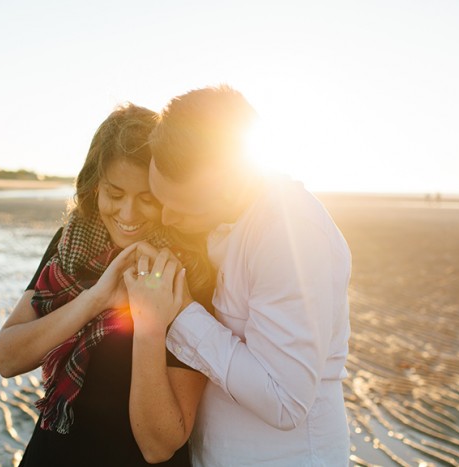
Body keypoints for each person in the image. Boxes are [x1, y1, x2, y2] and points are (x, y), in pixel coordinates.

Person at [138, 85, 352, 466]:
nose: (167, 219)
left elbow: (286, 401)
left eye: (182, 208)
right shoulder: (228, 214)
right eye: (160, 200)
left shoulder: (289, 233)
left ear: (228, 188)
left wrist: (181, 313)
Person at [0, 103, 214, 466]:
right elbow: (7, 357)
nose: (127, 215)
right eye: (115, 193)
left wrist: (149, 324)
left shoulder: (190, 269)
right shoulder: (72, 244)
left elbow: (159, 445)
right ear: (95, 186)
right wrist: (95, 299)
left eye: (147, 199)